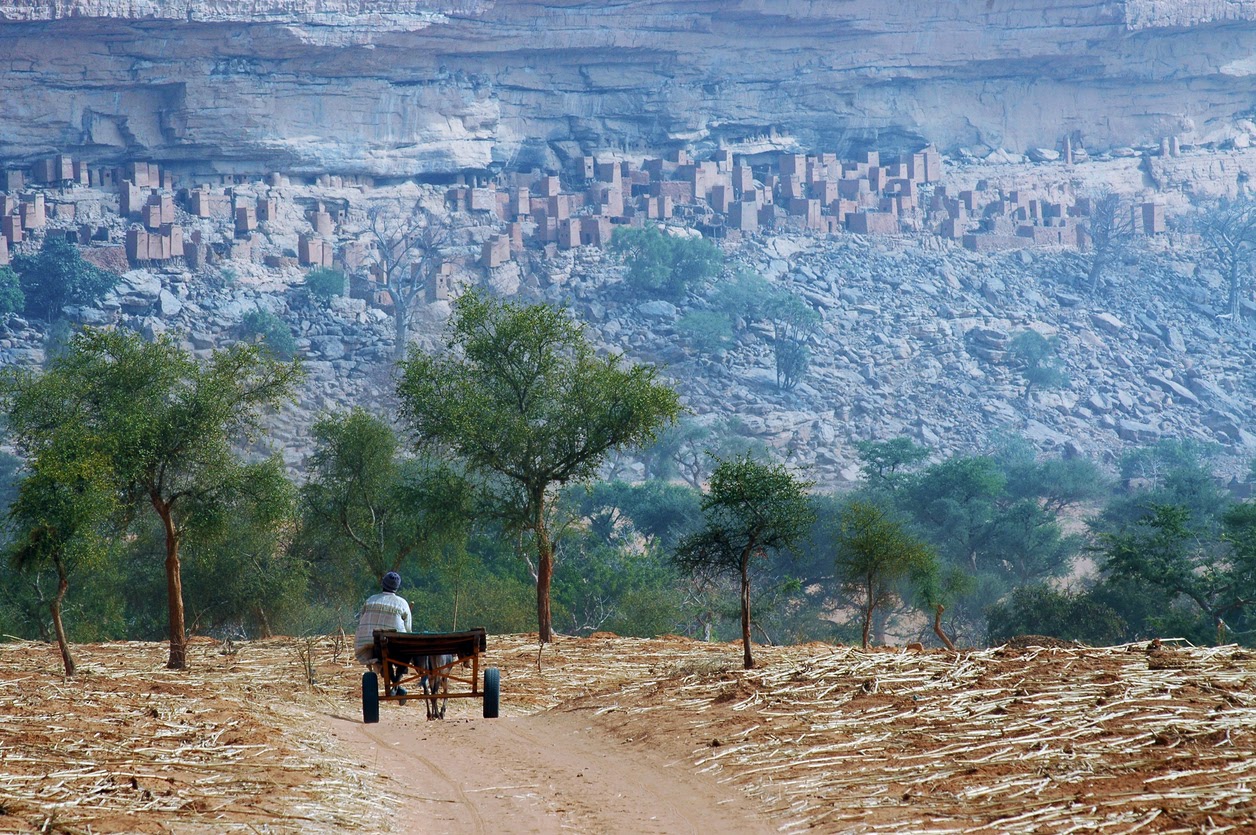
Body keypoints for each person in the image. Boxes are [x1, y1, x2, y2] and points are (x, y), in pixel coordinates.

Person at [354, 572, 413, 694]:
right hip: (398, 648)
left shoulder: (370, 600)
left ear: (383, 584)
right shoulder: (402, 603)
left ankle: (394, 684)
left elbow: (361, 621)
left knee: (381, 657)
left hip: (377, 646)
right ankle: (396, 683)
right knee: (406, 654)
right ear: (397, 587)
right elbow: (408, 629)